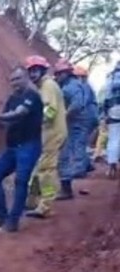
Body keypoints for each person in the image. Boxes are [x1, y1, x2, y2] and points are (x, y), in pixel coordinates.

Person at [0, 66, 44, 232]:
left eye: (17, 79)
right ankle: (1, 216)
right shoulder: (11, 98)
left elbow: (20, 113)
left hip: (29, 145)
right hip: (13, 147)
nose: (14, 83)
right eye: (12, 80)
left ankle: (12, 222)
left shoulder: (32, 96)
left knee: (21, 181)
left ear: (26, 79)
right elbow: (6, 121)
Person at [24, 55, 66, 218]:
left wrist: (35, 120)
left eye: (36, 70)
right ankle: (32, 202)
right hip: (48, 134)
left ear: (42, 70)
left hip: (52, 134)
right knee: (37, 168)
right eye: (31, 71)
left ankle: (46, 206)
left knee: (46, 170)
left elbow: (50, 110)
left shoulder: (48, 86)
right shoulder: (44, 86)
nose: (33, 74)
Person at [50, 59, 90, 199]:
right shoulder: (72, 85)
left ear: (66, 73)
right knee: (70, 152)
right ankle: (70, 181)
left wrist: (64, 115)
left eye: (60, 74)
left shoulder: (70, 86)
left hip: (74, 123)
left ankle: (67, 188)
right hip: (76, 123)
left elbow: (77, 105)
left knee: (66, 154)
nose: (58, 77)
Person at [73, 65, 99, 175]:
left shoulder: (83, 87)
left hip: (86, 118)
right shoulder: (87, 86)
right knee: (82, 141)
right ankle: (87, 164)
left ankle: (80, 169)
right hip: (91, 117)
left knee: (79, 142)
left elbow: (81, 104)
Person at [102, 61, 120, 179]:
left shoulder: (111, 77)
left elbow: (107, 96)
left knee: (114, 137)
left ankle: (111, 167)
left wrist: (105, 113)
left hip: (114, 109)